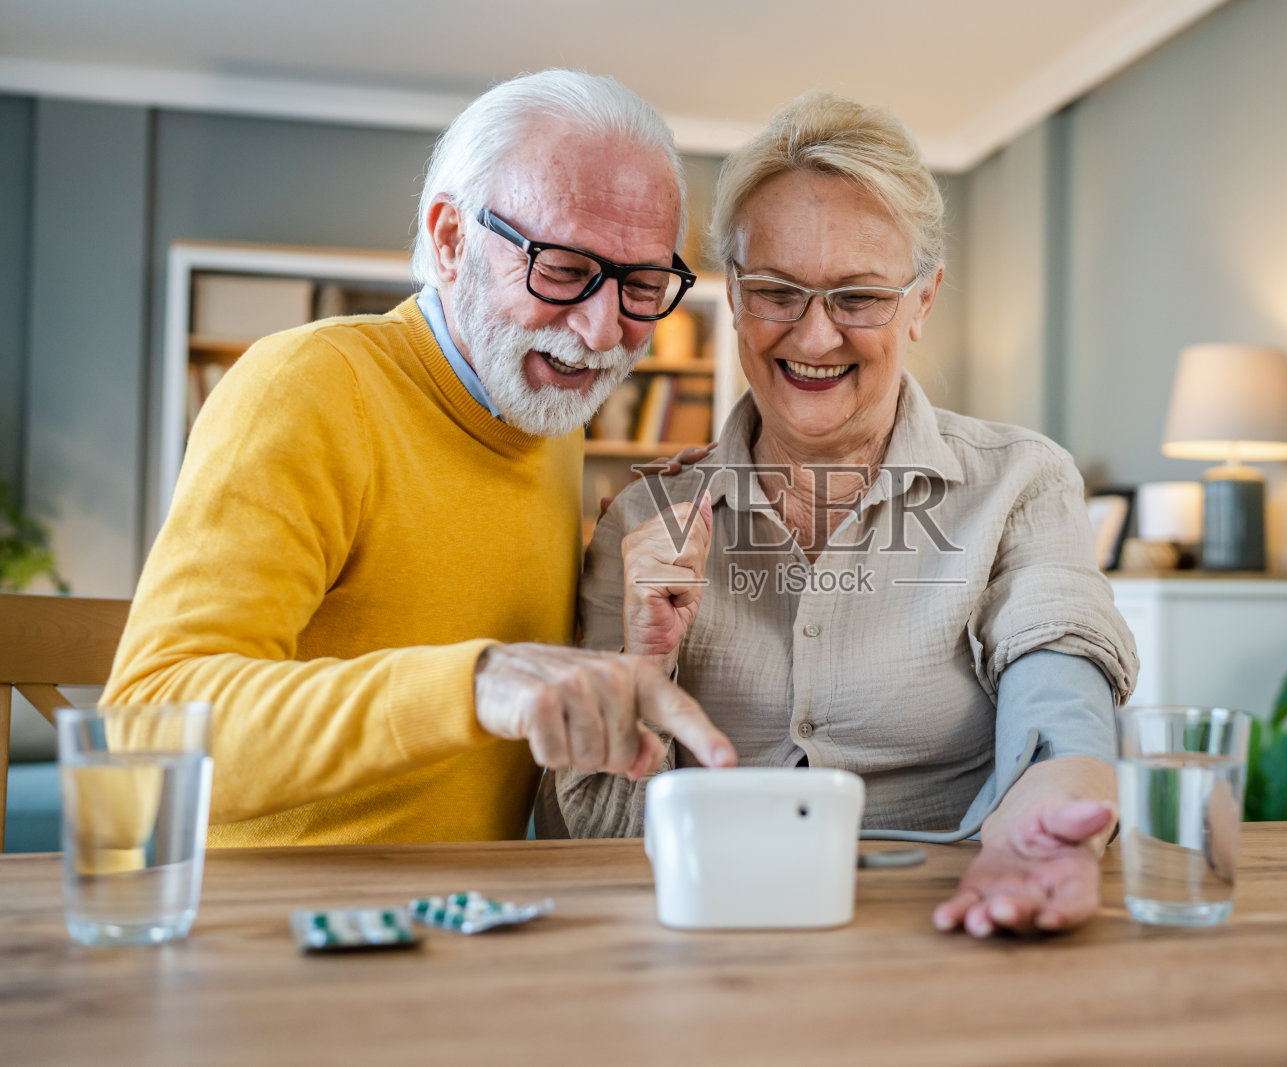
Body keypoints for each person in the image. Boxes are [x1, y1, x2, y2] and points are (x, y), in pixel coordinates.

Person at [543, 92, 1140, 938]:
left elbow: (1059, 670)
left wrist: (1053, 811)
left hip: (951, 914)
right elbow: (588, 841)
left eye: (859, 297)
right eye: (779, 291)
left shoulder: (1021, 481)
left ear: (923, 300)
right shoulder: (647, 516)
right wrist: (643, 668)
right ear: (738, 299)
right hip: (713, 927)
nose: (816, 337)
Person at [105, 70, 734, 848]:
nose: (604, 331)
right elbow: (147, 731)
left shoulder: (547, 417)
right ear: (449, 239)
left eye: (642, 283)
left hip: (467, 926)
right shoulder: (309, 387)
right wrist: (470, 684)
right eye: (565, 270)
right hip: (265, 936)